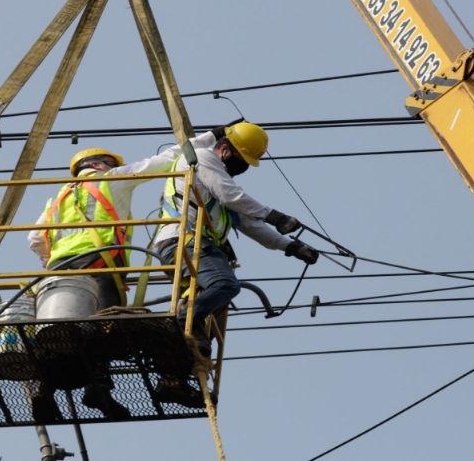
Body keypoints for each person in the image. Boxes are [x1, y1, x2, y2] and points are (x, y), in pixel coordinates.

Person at [26, 137, 216, 423]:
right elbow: (159, 163)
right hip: (99, 263)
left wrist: (52, 257)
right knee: (106, 328)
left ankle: (46, 390)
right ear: (101, 165)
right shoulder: (109, 180)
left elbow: (34, 238)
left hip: (59, 271)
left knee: (63, 333)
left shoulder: (59, 196)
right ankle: (98, 387)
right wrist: (205, 140)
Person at [153, 121, 319, 404]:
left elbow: (250, 225)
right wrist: (275, 216)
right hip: (185, 243)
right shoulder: (202, 160)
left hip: (195, 248)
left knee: (204, 334)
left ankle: (172, 381)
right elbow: (233, 195)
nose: (242, 168)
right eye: (242, 161)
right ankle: (184, 319)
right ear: (226, 150)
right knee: (224, 285)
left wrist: (291, 246)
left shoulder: (216, 190)